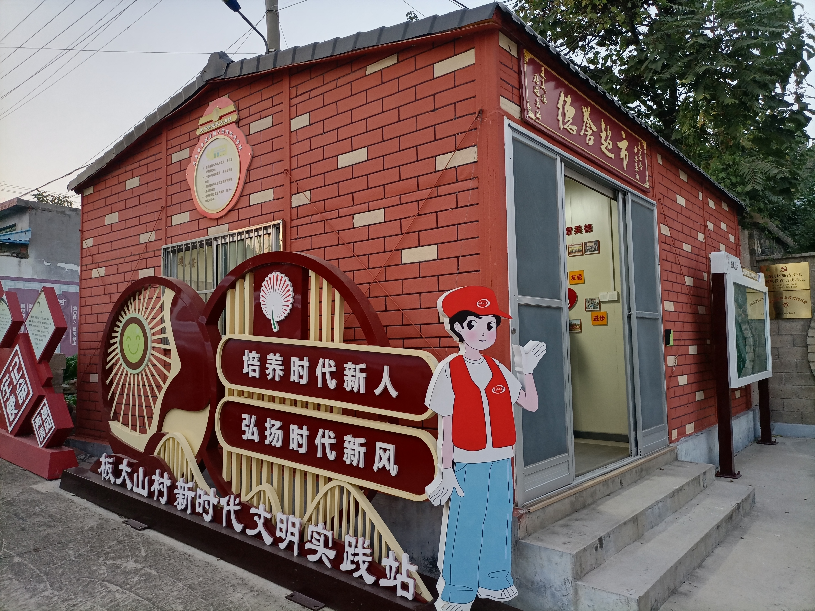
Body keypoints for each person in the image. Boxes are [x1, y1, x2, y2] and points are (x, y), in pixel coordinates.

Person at [424, 286, 546, 611]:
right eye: (474, 324)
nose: (484, 331)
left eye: (490, 324)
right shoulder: (448, 370)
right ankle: (457, 591)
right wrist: (445, 470)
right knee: (464, 526)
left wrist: (527, 369)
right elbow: (446, 424)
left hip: (501, 461)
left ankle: (495, 580)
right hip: (468, 462)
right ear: (457, 327)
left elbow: (530, 403)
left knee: (497, 523)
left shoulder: (498, 370)